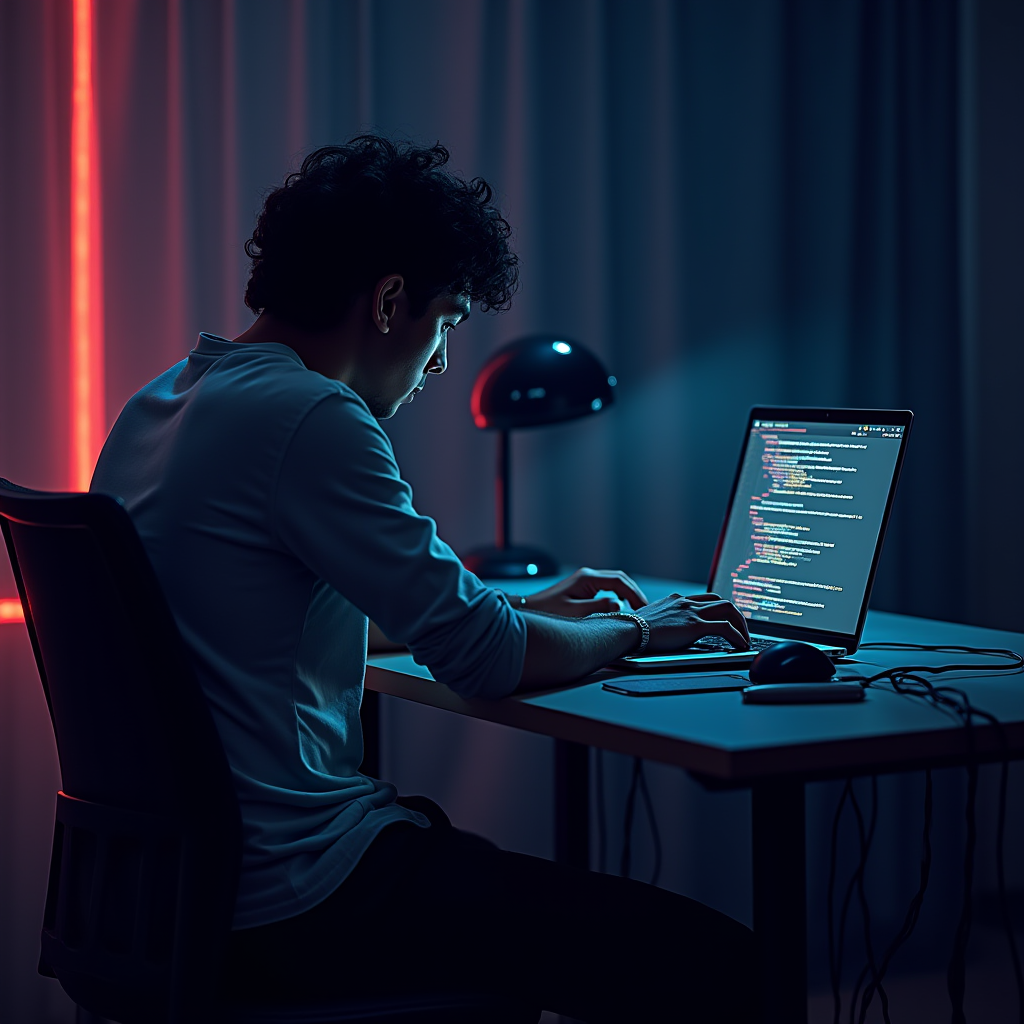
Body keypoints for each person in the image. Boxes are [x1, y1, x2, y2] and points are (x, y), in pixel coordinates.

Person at [91, 135, 758, 1023]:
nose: (443, 361)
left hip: (169, 896)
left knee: (472, 865)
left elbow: (271, 630)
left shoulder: (162, 403)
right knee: (726, 966)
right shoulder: (312, 413)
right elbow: (484, 661)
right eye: (445, 321)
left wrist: (519, 609)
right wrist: (641, 629)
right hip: (295, 900)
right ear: (391, 300)